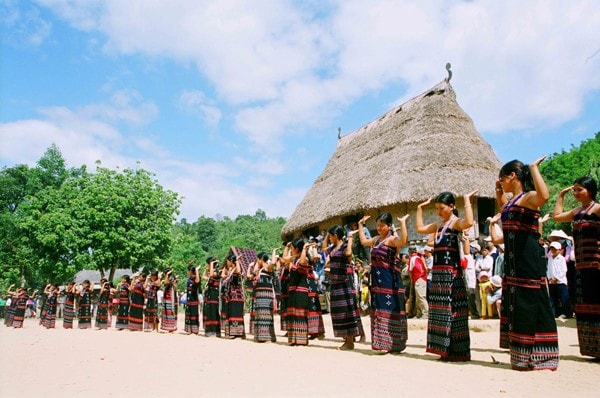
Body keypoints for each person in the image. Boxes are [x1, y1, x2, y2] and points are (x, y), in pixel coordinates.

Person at [490, 156, 559, 370]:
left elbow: (544, 196)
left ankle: (542, 356)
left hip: (528, 260)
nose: (500, 181)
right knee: (518, 306)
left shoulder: (529, 197)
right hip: (513, 263)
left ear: (513, 176)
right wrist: (498, 191)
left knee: (532, 303)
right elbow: (503, 209)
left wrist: (533, 168)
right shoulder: (511, 202)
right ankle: (520, 356)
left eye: (502, 177)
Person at [416, 190, 477, 361]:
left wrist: (466, 201)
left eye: (441, 208)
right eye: (436, 208)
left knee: (455, 312)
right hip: (438, 274)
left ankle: (457, 351)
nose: (438, 212)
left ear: (451, 207)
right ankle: (443, 350)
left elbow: (470, 222)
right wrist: (420, 209)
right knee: (440, 313)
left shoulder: (456, 223)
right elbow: (420, 229)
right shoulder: (438, 225)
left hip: (452, 274)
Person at [553, 175, 599, 358]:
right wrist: (561, 196)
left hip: (596, 265)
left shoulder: (598, 209)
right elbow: (556, 216)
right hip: (581, 267)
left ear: (591, 190)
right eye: (575, 190)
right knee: (586, 306)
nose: (576, 192)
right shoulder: (577, 211)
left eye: (580, 189)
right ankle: (593, 349)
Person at [357, 212, 409, 353]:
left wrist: (403, 223)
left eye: (382, 225)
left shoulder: (392, 239)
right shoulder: (375, 240)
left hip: (390, 281)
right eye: (377, 225)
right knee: (379, 309)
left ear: (388, 226)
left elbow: (403, 241)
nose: (379, 228)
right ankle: (382, 342)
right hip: (377, 282)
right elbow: (363, 241)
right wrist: (360, 225)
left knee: (390, 308)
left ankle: (394, 343)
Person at [323, 225, 365, 350]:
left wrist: (350, 237)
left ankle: (350, 341)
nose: (329, 238)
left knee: (347, 311)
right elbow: (323, 248)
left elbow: (349, 254)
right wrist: (327, 234)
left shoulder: (344, 247)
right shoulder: (333, 248)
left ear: (335, 236)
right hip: (335, 283)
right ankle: (346, 339)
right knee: (338, 312)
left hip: (344, 283)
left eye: (330, 236)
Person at [252, 251, 277, 343]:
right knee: (260, 314)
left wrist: (274, 252)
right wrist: (258, 262)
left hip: (266, 295)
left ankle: (268, 337)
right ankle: (260, 336)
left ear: (261, 259)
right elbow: (254, 271)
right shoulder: (260, 269)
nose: (256, 261)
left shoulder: (268, 267)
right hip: (259, 295)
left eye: (257, 259)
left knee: (266, 315)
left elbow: (273, 263)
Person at [221, 254, 246, 339]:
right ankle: (232, 332)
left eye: (227, 261)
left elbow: (238, 271)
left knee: (236, 313)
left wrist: (236, 261)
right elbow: (223, 275)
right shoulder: (231, 269)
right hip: (230, 295)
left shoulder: (236, 268)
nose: (227, 263)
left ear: (231, 261)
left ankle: (238, 333)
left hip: (237, 295)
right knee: (231, 313)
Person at [546, 241, 570, 319]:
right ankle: (553, 313)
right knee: (552, 298)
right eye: (552, 249)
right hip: (552, 281)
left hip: (560, 281)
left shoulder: (562, 259)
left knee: (563, 298)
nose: (553, 250)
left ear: (559, 250)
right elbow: (548, 269)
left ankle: (566, 313)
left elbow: (563, 270)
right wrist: (550, 278)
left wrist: (557, 279)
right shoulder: (550, 259)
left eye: (555, 249)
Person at [408, 247, 429, 319]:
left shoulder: (412, 258)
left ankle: (425, 313)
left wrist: (412, 280)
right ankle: (419, 314)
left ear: (409, 252)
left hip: (418, 278)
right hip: (422, 278)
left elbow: (410, 270)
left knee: (421, 296)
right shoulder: (418, 258)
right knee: (418, 297)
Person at [203, 257, 221, 337]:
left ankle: (215, 331)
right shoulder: (211, 272)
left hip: (215, 294)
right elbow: (204, 277)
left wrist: (211, 264)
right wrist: (206, 269)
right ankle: (209, 331)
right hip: (210, 295)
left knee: (214, 312)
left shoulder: (217, 271)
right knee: (209, 312)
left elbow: (211, 275)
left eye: (207, 263)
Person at [185, 263, 201, 335]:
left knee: (194, 315)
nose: (187, 272)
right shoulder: (189, 278)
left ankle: (194, 331)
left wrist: (197, 271)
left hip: (194, 300)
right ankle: (190, 330)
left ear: (190, 271)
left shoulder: (195, 277)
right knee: (189, 314)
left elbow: (197, 281)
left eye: (188, 271)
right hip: (189, 300)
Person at [161, 268, 178, 333]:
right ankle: (167, 327)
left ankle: (172, 327)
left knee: (170, 311)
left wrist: (167, 275)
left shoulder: (171, 278)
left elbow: (166, 282)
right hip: (166, 297)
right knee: (166, 311)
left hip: (170, 297)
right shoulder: (168, 277)